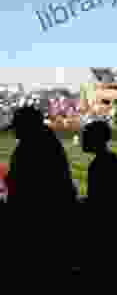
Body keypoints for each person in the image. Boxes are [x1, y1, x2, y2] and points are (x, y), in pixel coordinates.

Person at [4, 106, 78, 270]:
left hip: (39, 217)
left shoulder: (31, 146)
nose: (15, 132)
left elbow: (22, 184)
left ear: (27, 126)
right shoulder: (46, 140)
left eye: (17, 127)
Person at [81, 120, 117, 270]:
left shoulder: (99, 164)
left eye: (86, 136)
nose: (83, 139)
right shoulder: (114, 159)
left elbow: (98, 201)